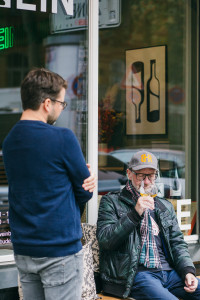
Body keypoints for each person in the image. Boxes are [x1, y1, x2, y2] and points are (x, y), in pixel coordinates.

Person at [3, 68, 96, 300]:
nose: (61, 108)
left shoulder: (10, 141)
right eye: (61, 103)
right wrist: (88, 184)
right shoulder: (62, 138)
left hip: (24, 249)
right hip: (59, 249)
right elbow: (83, 193)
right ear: (47, 103)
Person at [97, 150, 200, 300]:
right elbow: (105, 240)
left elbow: (177, 243)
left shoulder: (164, 205)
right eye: (141, 175)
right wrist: (134, 213)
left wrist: (188, 271)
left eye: (150, 176)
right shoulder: (111, 202)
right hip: (138, 275)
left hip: (169, 273)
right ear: (129, 173)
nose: (146, 182)